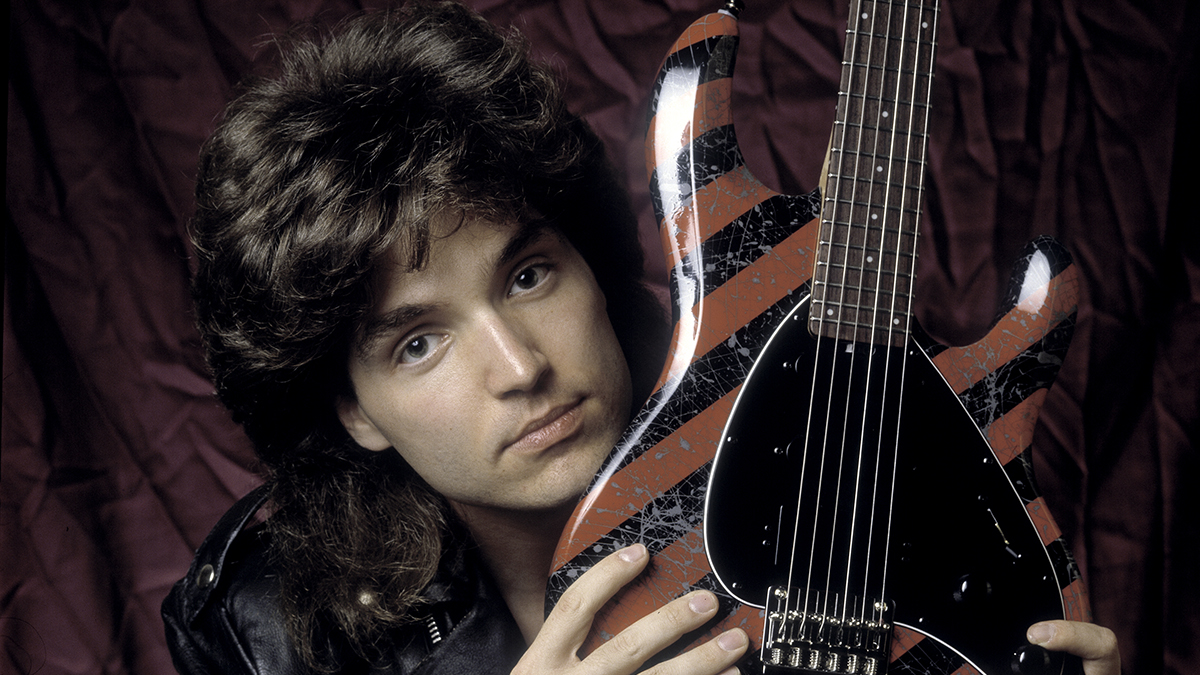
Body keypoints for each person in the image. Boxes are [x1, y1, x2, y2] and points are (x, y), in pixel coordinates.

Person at [161, 2, 1121, 674]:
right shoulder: (263, 633)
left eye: (528, 275)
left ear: (591, 265)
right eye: (417, 342)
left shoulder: (852, 467)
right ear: (353, 409)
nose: (522, 367)